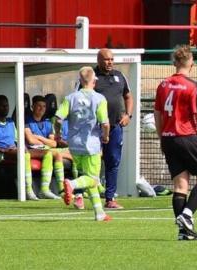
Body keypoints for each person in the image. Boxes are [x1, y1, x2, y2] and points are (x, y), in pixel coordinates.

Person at [154, 44, 197, 241]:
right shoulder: (191, 86)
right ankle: (187, 215)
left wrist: (161, 136)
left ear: (175, 62)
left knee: (181, 185)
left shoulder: (163, 84)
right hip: (186, 136)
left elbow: (157, 114)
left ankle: (184, 232)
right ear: (190, 62)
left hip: (168, 138)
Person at [55, 66, 111, 222]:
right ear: (94, 81)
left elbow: (58, 118)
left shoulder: (70, 98)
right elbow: (105, 123)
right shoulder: (99, 99)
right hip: (91, 144)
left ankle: (99, 213)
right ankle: (71, 184)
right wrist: (105, 136)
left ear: (80, 81)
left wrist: (58, 133)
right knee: (93, 179)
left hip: (74, 144)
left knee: (88, 177)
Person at [93, 48, 133, 209]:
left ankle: (110, 199)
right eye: (106, 59)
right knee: (90, 161)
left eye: (111, 59)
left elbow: (128, 96)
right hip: (95, 128)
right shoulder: (91, 76)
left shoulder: (120, 76)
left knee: (113, 161)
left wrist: (128, 115)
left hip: (116, 126)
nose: (110, 62)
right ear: (99, 60)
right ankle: (80, 195)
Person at [0, 95, 39, 200]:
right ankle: (29, 191)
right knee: (24, 155)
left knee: (48, 153)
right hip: (0, 155)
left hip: (14, 150)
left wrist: (23, 147)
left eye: (6, 105)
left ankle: (45, 190)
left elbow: (17, 140)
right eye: (2, 106)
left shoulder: (11, 122)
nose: (5, 108)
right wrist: (0, 149)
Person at [24, 95, 67, 199]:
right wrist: (45, 142)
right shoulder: (26, 121)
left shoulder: (47, 123)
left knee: (59, 153)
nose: (41, 108)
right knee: (53, 153)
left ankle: (61, 190)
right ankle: (43, 189)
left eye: (44, 106)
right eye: (38, 106)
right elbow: (30, 140)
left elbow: (54, 143)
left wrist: (39, 137)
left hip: (44, 149)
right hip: (30, 150)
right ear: (32, 106)